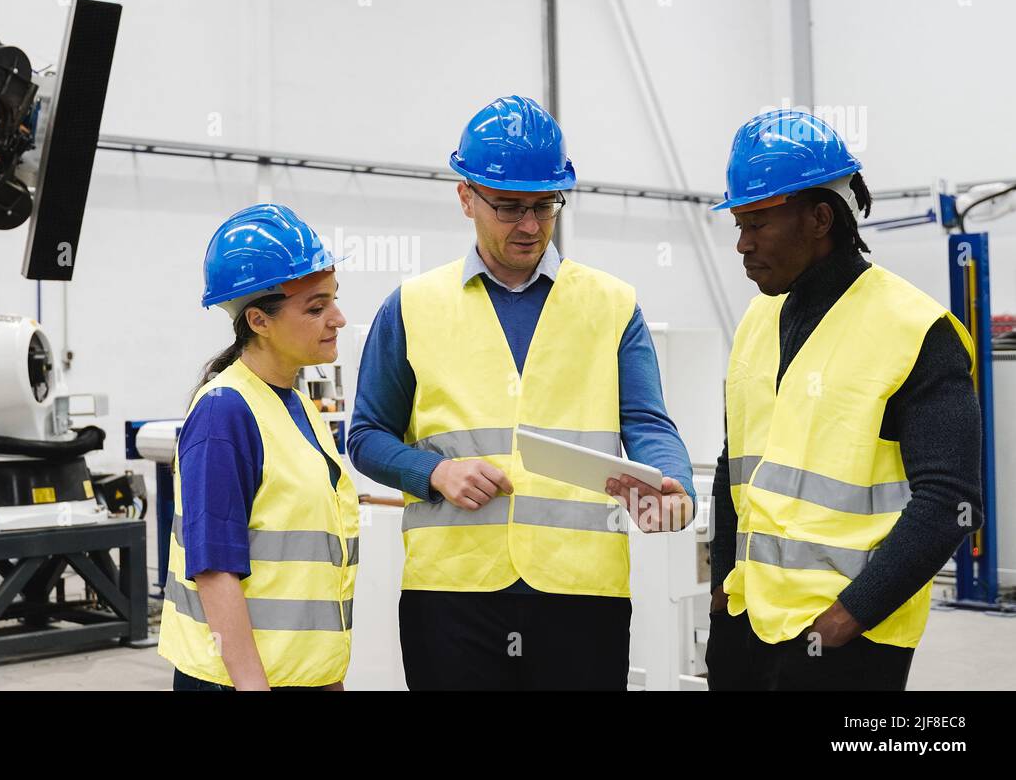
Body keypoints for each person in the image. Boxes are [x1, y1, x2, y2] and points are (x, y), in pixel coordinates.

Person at [348, 95, 694, 691]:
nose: (530, 226)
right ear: (466, 197)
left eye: (544, 206)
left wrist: (672, 482)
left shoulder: (612, 305)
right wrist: (432, 474)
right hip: (451, 592)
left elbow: (648, 422)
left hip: (581, 592)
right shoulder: (411, 307)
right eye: (509, 207)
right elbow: (366, 436)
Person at [706, 109, 983, 691]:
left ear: (820, 219)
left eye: (756, 223)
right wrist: (720, 594)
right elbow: (735, 468)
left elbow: (950, 501)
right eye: (737, 224)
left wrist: (843, 621)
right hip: (746, 625)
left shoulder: (914, 329)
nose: (742, 244)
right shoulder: (760, 320)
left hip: (848, 642)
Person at [158, 204, 360, 691]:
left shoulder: (296, 405)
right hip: (239, 682)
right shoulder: (225, 413)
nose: (338, 319)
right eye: (316, 308)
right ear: (259, 321)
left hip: (298, 677)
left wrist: (326, 679)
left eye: (333, 300)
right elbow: (214, 571)